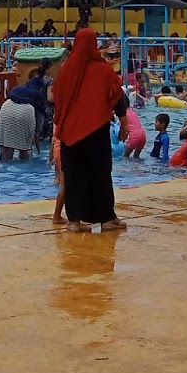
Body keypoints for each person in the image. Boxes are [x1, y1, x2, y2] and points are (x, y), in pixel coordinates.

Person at [52, 27, 130, 232]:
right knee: (100, 174)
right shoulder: (103, 69)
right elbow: (117, 97)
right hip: (96, 132)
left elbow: (56, 97)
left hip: (70, 133)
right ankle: (107, 219)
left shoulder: (67, 70)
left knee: (75, 175)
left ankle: (75, 221)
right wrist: (124, 123)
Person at [0, 84, 39, 162]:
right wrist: (38, 151)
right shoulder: (36, 100)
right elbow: (35, 133)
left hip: (6, 108)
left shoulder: (12, 96)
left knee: (6, 147)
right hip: (26, 111)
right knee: (25, 148)